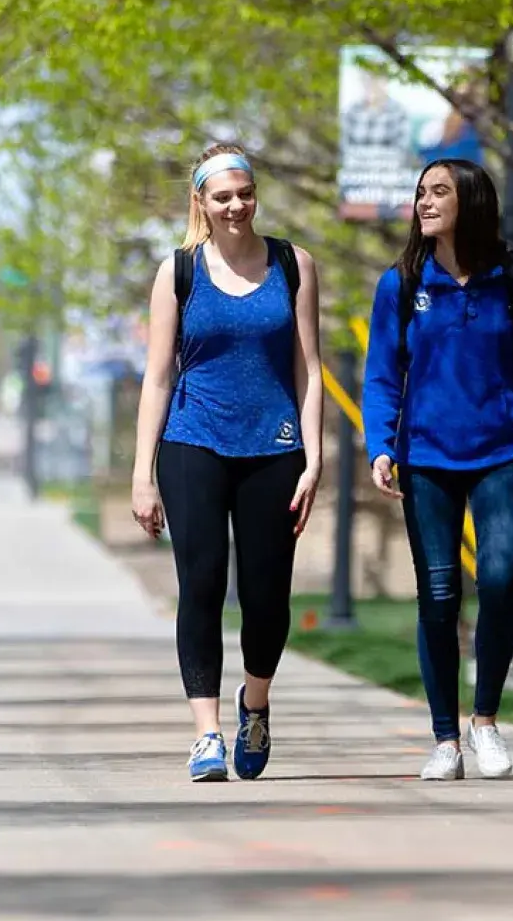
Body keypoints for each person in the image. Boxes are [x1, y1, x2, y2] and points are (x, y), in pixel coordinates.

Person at [361, 158, 513, 781]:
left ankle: (486, 722)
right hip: (426, 459)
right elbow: (381, 374)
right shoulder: (400, 283)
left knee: (502, 581)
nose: (424, 201)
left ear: (469, 201)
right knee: (440, 596)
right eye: (420, 192)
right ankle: (445, 739)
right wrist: (381, 445)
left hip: (502, 453)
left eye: (438, 192)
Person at [131, 143, 324, 783]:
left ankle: (256, 702)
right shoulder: (178, 272)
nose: (236, 205)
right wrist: (142, 474)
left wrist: (314, 457)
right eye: (222, 196)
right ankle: (206, 733)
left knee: (267, 599)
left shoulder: (294, 265)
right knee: (203, 584)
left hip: (274, 446)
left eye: (244, 193)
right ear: (202, 203)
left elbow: (309, 370)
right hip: (193, 444)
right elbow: (157, 378)